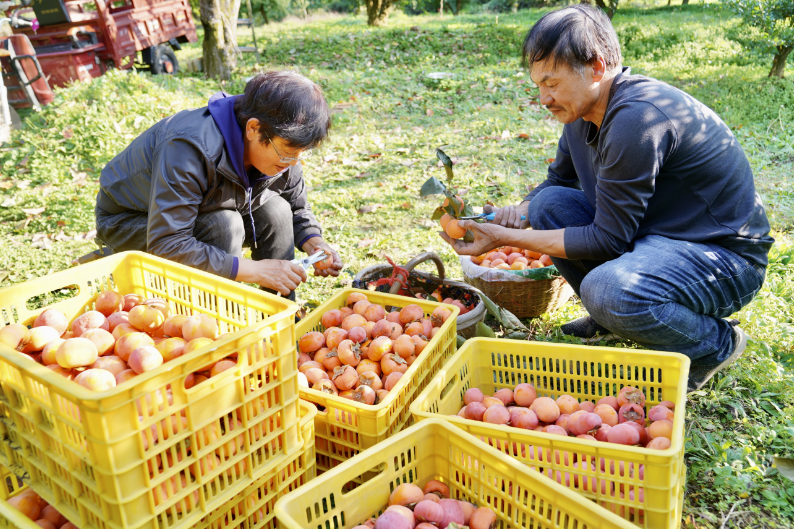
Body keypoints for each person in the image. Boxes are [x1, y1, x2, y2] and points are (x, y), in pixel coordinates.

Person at [440, 5, 773, 392]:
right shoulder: (584, 112)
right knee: (549, 206)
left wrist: (504, 237)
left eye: (552, 83)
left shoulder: (637, 119)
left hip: (723, 258)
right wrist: (510, 214)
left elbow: (607, 240)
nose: (543, 98)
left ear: (596, 67)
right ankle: (612, 319)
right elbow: (555, 183)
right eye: (538, 86)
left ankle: (714, 344)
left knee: (607, 290)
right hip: (657, 238)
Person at [95, 71, 343, 299]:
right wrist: (253, 270)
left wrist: (314, 242)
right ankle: (217, 324)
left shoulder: (285, 147)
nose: (294, 161)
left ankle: (279, 317)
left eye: (302, 152)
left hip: (206, 208)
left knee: (276, 210)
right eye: (289, 151)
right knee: (224, 224)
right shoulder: (188, 147)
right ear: (254, 129)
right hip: (134, 222)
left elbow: (296, 207)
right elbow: (168, 243)